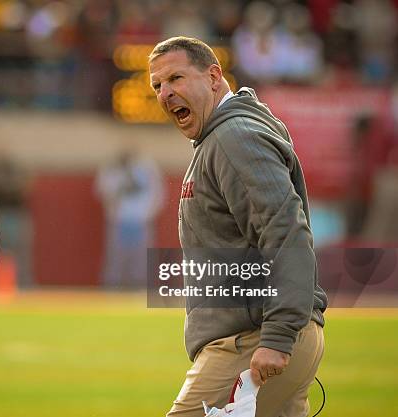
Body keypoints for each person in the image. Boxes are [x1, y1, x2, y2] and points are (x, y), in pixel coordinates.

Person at [148, 36, 327, 417]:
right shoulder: (222, 137)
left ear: (214, 76)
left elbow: (286, 233)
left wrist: (277, 338)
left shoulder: (233, 137)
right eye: (157, 86)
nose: (165, 93)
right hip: (260, 337)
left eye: (176, 78)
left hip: (252, 342)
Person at [95, 149, 165, 288]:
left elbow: (158, 195)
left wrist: (147, 215)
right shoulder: (112, 169)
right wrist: (113, 211)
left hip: (141, 222)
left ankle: (140, 291)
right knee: (116, 260)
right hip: (119, 222)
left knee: (141, 261)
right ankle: (112, 290)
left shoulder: (148, 169)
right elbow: (102, 191)